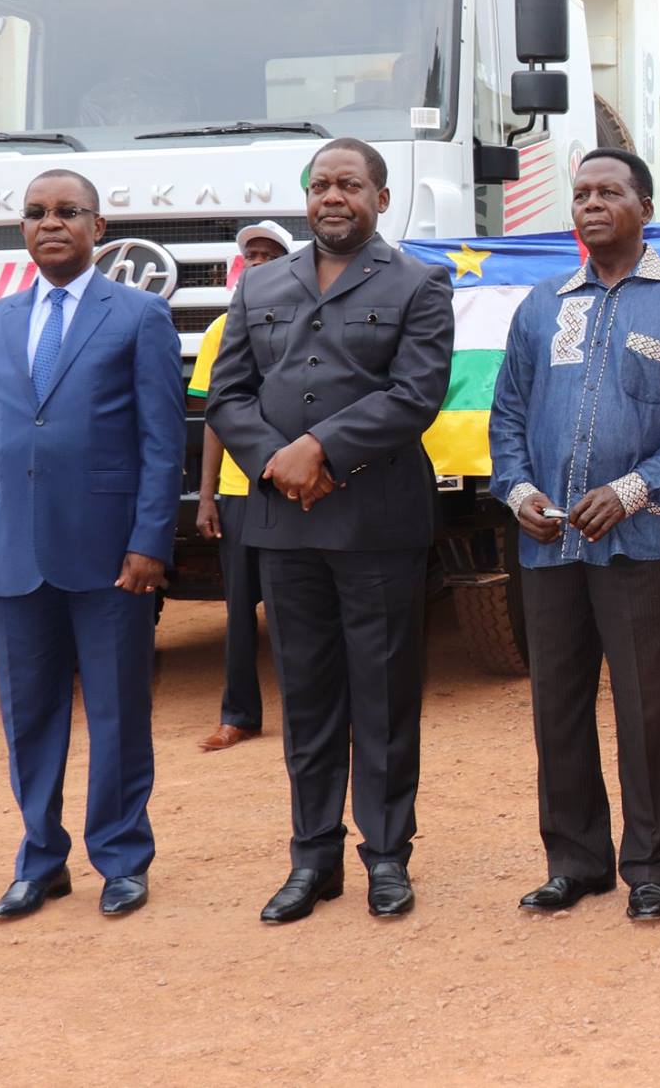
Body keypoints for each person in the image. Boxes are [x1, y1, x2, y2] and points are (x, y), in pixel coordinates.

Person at [207, 137, 454, 923]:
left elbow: (417, 395)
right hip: (285, 523)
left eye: (350, 184)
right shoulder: (260, 286)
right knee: (307, 698)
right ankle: (312, 860)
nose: (332, 197)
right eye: (320, 186)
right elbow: (227, 395)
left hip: (377, 521)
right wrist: (279, 459)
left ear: (381, 198)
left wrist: (324, 449)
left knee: (382, 698)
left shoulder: (419, 282)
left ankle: (386, 856)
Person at [489, 149, 660, 924]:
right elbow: (507, 415)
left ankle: (653, 868)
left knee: (645, 706)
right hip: (548, 544)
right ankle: (576, 861)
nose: (592, 204)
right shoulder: (540, 305)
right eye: (582, 193)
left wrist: (633, 490)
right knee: (556, 707)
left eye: (610, 192)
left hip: (644, 542)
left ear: (646, 206)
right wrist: (520, 489)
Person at [0, 169, 182, 919]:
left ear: (97, 227)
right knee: (29, 715)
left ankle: (120, 857)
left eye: (67, 212)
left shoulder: (139, 314)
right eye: (36, 213)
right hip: (13, 551)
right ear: (23, 229)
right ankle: (40, 859)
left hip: (112, 555)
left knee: (118, 711)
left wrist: (150, 539)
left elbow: (161, 437)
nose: (51, 223)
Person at [186, 220, 295, 752]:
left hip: (291, 486)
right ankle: (239, 715)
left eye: (268, 253)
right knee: (238, 610)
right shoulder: (219, 329)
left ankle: (308, 713)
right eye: (249, 253)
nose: (255, 261)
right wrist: (206, 496)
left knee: (294, 606)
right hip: (237, 491)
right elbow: (214, 416)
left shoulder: (304, 319)